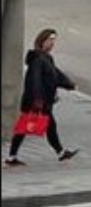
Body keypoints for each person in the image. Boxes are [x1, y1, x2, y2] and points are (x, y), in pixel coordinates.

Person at [7, 29, 78, 166]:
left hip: (42, 101)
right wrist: (38, 100)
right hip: (37, 101)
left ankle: (61, 152)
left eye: (54, 40)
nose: (52, 43)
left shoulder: (47, 58)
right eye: (50, 40)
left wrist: (69, 84)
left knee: (48, 126)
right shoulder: (38, 59)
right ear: (42, 41)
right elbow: (34, 80)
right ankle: (11, 157)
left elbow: (56, 75)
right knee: (25, 128)